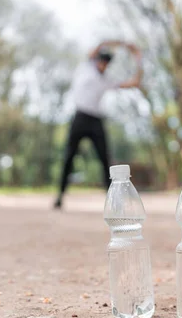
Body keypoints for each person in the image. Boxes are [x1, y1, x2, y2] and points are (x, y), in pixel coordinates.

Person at [54, 40, 143, 209]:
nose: (103, 64)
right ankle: (60, 195)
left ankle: (113, 200)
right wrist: (124, 44)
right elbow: (101, 43)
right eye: (101, 60)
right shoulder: (86, 67)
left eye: (106, 62)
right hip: (80, 117)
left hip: (96, 120)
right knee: (69, 157)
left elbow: (134, 83)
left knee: (105, 159)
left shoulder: (107, 80)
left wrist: (138, 59)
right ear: (96, 60)